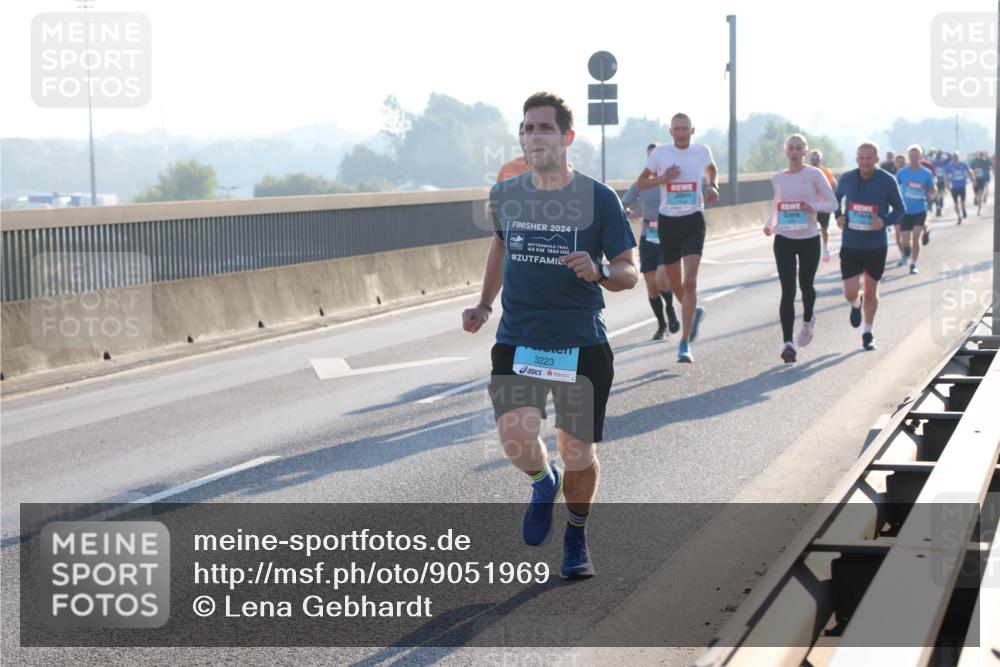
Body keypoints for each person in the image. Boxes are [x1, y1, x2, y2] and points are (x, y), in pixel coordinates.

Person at [463, 91, 637, 580]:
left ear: (567, 137)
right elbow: (500, 247)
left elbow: (629, 272)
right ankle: (543, 483)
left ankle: (576, 533)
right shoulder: (507, 194)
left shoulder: (599, 198)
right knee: (516, 439)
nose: (534, 135)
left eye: (544, 127)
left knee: (579, 452)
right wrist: (483, 303)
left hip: (579, 343)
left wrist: (600, 271)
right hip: (519, 337)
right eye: (527, 128)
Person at [636, 113, 719, 363]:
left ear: (692, 130)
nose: (681, 133)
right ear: (670, 132)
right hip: (668, 223)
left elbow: (711, 169)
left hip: (693, 220)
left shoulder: (701, 150)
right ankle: (694, 310)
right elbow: (642, 183)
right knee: (674, 284)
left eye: (685, 128)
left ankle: (684, 343)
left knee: (690, 282)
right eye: (677, 129)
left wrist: (713, 185)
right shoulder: (660, 155)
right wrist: (663, 178)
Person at [763, 134, 837, 363]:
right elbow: (778, 204)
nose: (794, 152)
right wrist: (769, 224)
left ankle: (807, 320)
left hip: (808, 238)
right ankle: (788, 344)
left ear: (805, 152)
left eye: (798, 148)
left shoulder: (814, 174)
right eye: (791, 148)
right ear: (786, 152)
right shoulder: (777, 178)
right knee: (788, 290)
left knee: (806, 284)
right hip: (784, 238)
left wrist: (811, 206)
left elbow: (832, 203)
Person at [834, 142, 905, 351]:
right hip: (851, 244)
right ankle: (856, 304)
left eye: (869, 158)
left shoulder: (887, 180)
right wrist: (838, 217)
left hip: (875, 245)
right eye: (861, 158)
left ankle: (868, 332)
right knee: (850, 292)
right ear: (857, 160)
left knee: (872, 289)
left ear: (876, 159)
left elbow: (901, 208)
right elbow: (835, 199)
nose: (865, 162)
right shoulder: (847, 179)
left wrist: (884, 221)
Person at [622, 144, 680, 339]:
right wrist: (628, 212)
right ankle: (662, 325)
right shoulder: (640, 183)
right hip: (648, 235)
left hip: (668, 234)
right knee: (650, 283)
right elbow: (622, 204)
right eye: (650, 158)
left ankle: (670, 309)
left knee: (662, 276)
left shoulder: (672, 180)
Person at [894, 145, 936, 275]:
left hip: (919, 209)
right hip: (905, 211)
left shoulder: (926, 173)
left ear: (921, 157)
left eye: (916, 156)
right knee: (906, 240)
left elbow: (933, 188)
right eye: (911, 156)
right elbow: (894, 187)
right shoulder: (902, 172)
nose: (913, 158)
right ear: (908, 157)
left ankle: (913, 264)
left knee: (916, 238)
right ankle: (906, 249)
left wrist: (931, 194)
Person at [809, 149, 838, 262]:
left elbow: (834, 184)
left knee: (824, 228)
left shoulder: (826, 172)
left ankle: (825, 248)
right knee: (812, 227)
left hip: (824, 205)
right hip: (811, 205)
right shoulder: (806, 171)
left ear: (820, 160)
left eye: (817, 159)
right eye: (812, 159)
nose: (814, 161)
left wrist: (830, 194)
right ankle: (813, 249)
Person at [945, 151, 974, 224]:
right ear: (952, 157)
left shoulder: (963, 164)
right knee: (955, 203)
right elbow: (946, 175)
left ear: (958, 157)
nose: (955, 158)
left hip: (962, 186)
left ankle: (963, 209)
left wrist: (972, 179)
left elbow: (970, 171)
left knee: (962, 201)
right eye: (954, 157)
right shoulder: (949, 165)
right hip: (954, 187)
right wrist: (947, 184)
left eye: (956, 157)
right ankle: (959, 216)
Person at [970, 150, 992, 214]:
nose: (981, 156)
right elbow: (970, 168)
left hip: (982, 180)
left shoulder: (985, 161)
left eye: (982, 155)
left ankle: (979, 210)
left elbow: (991, 164)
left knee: (980, 194)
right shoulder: (975, 161)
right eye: (980, 155)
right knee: (976, 194)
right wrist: (972, 178)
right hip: (975, 180)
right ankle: (976, 200)